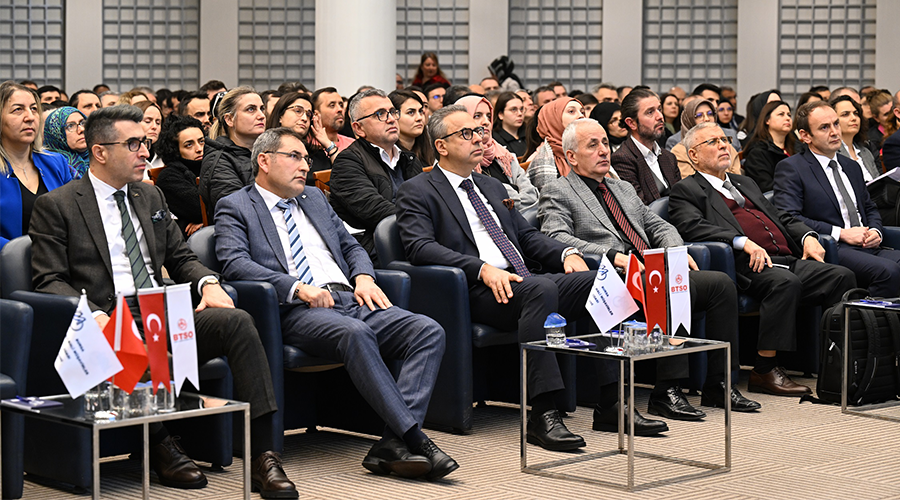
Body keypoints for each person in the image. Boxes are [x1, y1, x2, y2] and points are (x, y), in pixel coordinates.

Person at [29, 105, 295, 498]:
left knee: (236, 320)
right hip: (110, 316)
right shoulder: (59, 205)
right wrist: (95, 315)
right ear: (99, 151)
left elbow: (181, 257)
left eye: (146, 143)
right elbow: (48, 279)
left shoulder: (149, 194)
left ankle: (264, 456)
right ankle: (161, 443)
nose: (144, 152)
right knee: (121, 332)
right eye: (134, 143)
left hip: (161, 314)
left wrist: (206, 282)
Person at [214, 127, 456, 481]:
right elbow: (234, 262)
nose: (305, 167)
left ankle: (391, 442)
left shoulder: (314, 197)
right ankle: (415, 436)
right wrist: (298, 288)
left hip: (348, 296)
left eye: (306, 159)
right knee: (355, 333)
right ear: (264, 161)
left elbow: (352, 246)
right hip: (296, 310)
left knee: (427, 330)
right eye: (294, 157)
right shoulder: (236, 205)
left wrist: (364, 277)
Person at [396, 104, 597, 452]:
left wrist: (566, 253)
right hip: (474, 291)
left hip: (523, 282)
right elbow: (420, 248)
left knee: (598, 280)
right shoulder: (418, 190)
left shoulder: (490, 184)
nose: (478, 138)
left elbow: (525, 237)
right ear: (441, 146)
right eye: (466, 134)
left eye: (478, 132)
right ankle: (543, 413)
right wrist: (480, 268)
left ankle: (610, 400)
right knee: (541, 289)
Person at [539, 118, 760, 418]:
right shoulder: (558, 190)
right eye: (593, 145)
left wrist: (674, 251)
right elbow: (557, 237)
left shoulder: (622, 188)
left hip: (650, 269)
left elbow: (658, 224)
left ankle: (719, 384)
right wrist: (612, 255)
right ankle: (667, 390)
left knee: (720, 284)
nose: (604, 150)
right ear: (571, 156)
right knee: (664, 283)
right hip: (615, 276)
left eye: (605, 142)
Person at [669, 122, 856, 396]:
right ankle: (764, 370)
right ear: (694, 155)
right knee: (784, 283)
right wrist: (742, 241)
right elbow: (693, 227)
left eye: (725, 139)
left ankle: (835, 361)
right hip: (743, 266)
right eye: (713, 142)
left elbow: (781, 217)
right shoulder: (687, 189)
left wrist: (807, 237)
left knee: (842, 276)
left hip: (785, 257)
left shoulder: (744, 183)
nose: (724, 145)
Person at [773, 101, 900, 297]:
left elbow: (870, 207)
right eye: (824, 127)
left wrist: (876, 230)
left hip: (867, 244)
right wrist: (841, 233)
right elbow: (789, 216)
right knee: (888, 272)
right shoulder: (792, 168)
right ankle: (868, 324)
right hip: (833, 247)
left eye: (835, 124)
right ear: (805, 135)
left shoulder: (851, 166)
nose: (834, 132)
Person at [330, 89, 425, 264]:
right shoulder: (348, 162)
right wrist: (425, 219)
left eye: (392, 112)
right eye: (380, 114)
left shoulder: (408, 158)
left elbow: (427, 200)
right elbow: (375, 210)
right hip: (374, 250)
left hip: (415, 239)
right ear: (358, 128)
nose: (391, 119)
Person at [0, 82, 72, 250]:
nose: (30, 117)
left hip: (58, 264)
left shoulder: (56, 163)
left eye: (34, 109)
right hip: (8, 267)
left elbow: (75, 216)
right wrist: (20, 253)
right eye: (18, 110)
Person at [456, 95, 539, 218]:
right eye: (477, 116)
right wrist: (512, 189)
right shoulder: (457, 160)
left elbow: (532, 195)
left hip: (522, 223)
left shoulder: (504, 154)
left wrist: (507, 197)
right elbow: (481, 200)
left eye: (489, 116)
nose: (486, 122)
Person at [199, 86, 266, 221]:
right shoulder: (218, 161)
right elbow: (240, 211)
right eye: (251, 109)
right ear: (229, 119)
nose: (261, 115)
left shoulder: (267, 152)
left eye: (262, 108)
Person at [612, 88, 680, 205]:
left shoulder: (669, 157)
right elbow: (640, 208)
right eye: (650, 112)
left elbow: (683, 199)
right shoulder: (623, 159)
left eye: (659, 109)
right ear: (632, 123)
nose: (659, 117)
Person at [267, 92, 337, 184]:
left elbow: (347, 177)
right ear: (280, 116)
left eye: (308, 115)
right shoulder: (266, 150)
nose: (304, 118)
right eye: (298, 111)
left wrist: (328, 143)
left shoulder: (316, 154)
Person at [155, 115, 206, 237]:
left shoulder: (216, 165)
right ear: (176, 150)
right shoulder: (169, 177)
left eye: (202, 141)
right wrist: (206, 220)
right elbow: (200, 210)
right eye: (189, 145)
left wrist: (207, 221)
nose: (199, 149)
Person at [671, 99, 742, 178]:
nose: (706, 119)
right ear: (689, 120)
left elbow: (737, 180)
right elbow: (692, 185)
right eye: (699, 116)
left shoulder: (726, 146)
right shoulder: (680, 152)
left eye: (710, 114)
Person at [527, 97, 585, 191]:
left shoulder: (590, 150)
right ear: (554, 120)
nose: (581, 116)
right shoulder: (542, 161)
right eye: (571, 111)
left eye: (582, 112)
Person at [742, 101, 796, 193]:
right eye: (781, 114)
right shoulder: (757, 153)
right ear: (767, 120)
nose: (787, 118)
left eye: (789, 115)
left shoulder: (798, 147)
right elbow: (765, 187)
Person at [831, 95, 879, 181]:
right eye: (845, 114)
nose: (854, 118)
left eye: (856, 113)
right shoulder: (831, 153)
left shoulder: (866, 152)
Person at [42, 105, 90, 180]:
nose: (81, 129)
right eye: (70, 126)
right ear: (57, 134)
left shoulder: (101, 155)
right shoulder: (51, 166)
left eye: (82, 123)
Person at [389, 89, 435, 166]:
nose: (419, 118)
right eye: (411, 112)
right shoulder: (388, 156)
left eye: (420, 111)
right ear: (394, 115)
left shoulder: (431, 149)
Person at [310, 87, 355, 154]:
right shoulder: (307, 144)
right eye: (332, 105)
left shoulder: (353, 145)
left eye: (341, 105)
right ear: (316, 114)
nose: (340, 109)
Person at [491, 91, 527, 157]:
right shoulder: (494, 139)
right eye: (513, 109)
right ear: (501, 114)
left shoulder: (529, 133)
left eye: (521, 109)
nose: (520, 113)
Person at [135, 100, 165, 171]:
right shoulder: (125, 157)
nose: (154, 126)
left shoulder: (166, 157)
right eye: (148, 121)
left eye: (158, 123)